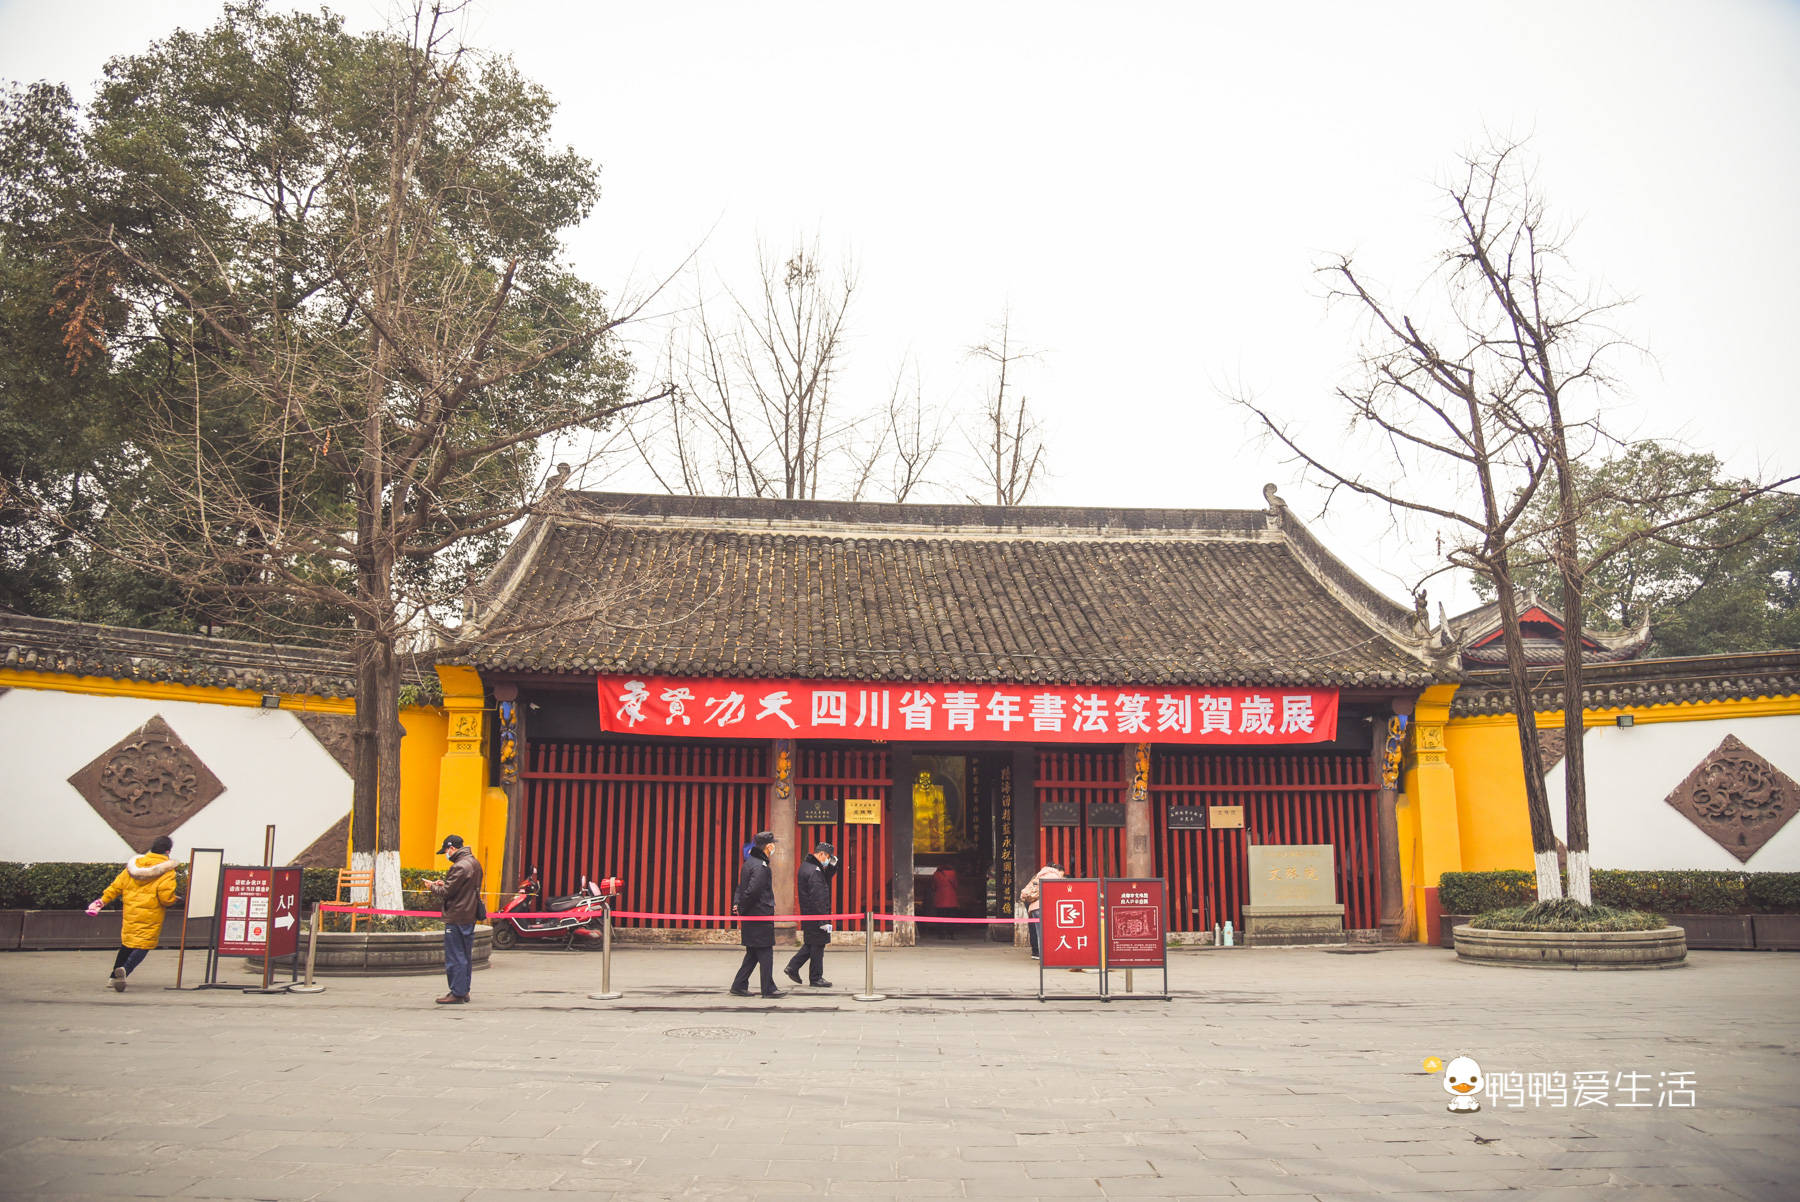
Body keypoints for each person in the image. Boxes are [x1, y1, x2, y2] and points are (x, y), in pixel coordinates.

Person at [88, 835, 181, 991]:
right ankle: (124, 971)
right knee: (144, 945)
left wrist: (102, 901)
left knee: (127, 944)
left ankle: (112, 978)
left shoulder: (134, 866)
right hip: (151, 915)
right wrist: (177, 900)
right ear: (168, 851)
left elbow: (116, 887)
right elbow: (165, 898)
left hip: (131, 913)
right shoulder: (167, 871)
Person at [424, 834, 484, 1005]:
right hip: (469, 914)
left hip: (457, 915)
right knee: (464, 954)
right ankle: (464, 990)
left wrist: (433, 887)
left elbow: (447, 893)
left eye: (446, 851)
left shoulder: (459, 866)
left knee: (455, 955)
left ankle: (457, 992)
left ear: (451, 848)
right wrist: (445, 884)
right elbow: (461, 888)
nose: (446, 854)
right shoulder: (474, 863)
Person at [730, 830, 785, 998]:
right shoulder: (761, 867)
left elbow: (741, 887)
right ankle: (768, 989)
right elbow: (753, 891)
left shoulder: (749, 862)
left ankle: (739, 985)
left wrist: (738, 904)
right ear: (768, 847)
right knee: (765, 951)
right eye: (773, 844)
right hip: (759, 915)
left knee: (753, 952)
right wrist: (742, 907)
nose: (774, 847)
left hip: (752, 915)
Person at [784, 841, 839, 988]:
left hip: (809, 912)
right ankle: (816, 977)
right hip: (816, 914)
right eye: (827, 857)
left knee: (812, 943)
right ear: (821, 854)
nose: (827, 860)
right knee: (818, 945)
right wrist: (823, 920)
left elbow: (825, 879)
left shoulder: (807, 866)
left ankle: (793, 967)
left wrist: (832, 866)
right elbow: (818, 896)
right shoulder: (815, 870)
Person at [1018, 860, 1065, 959]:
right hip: (1044, 907)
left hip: (1033, 906)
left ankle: (1038, 953)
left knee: (1039, 933)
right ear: (1057, 870)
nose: (1062, 877)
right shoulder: (1053, 876)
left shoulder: (1039, 874)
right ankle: (1047, 957)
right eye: (1062, 874)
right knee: (1047, 934)